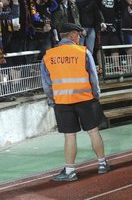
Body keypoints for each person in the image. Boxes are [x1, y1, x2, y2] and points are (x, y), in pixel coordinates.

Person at [40, 23, 109, 182]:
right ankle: (102, 164)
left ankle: (70, 171)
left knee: (69, 137)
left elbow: (47, 84)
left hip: (62, 102)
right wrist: (96, 96)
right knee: (93, 132)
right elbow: (93, 77)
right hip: (86, 99)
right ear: (72, 35)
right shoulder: (83, 52)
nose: (79, 38)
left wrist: (53, 101)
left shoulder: (48, 55)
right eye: (78, 35)